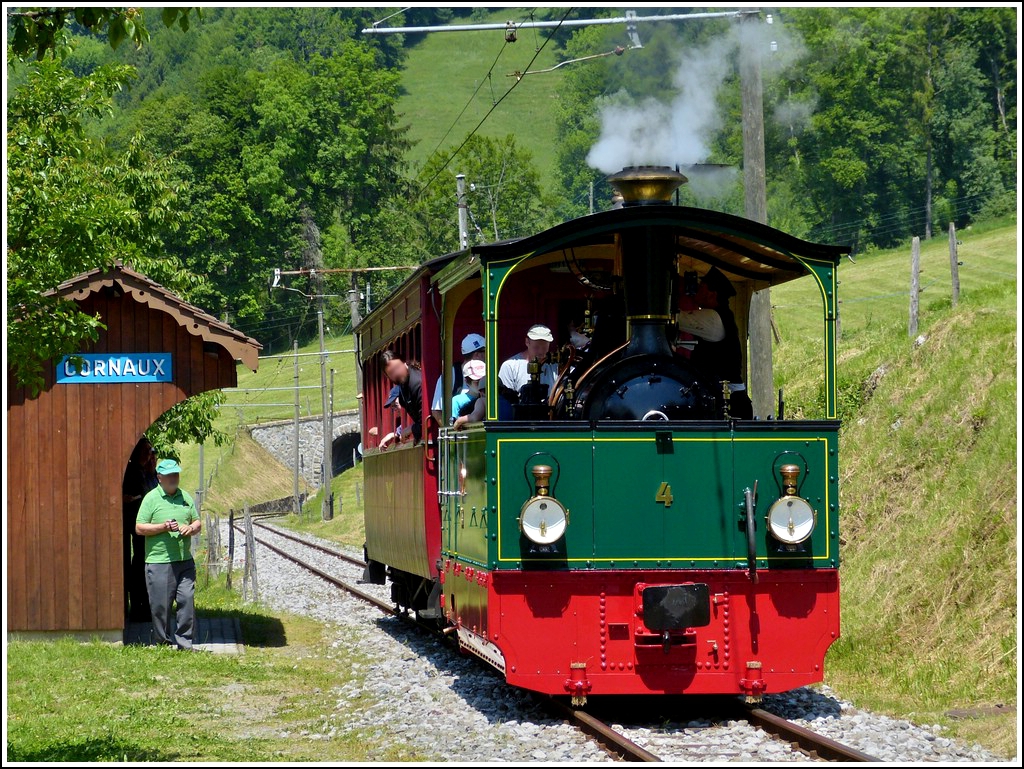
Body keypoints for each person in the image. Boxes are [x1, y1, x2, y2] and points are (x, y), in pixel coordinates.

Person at [135, 458, 201, 650]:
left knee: (186, 602)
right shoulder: (151, 498)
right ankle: (162, 642)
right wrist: (163, 527)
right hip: (159, 561)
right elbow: (139, 528)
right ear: (160, 477)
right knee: (161, 607)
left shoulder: (185, 497)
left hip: (184, 562)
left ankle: (184, 643)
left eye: (176, 474)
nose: (174, 478)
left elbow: (197, 522)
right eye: (170, 475)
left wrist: (191, 528)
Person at [675, 266, 753, 419]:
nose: (697, 290)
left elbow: (677, 319)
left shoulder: (713, 318)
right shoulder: (720, 316)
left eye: (702, 287)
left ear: (712, 294)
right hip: (724, 397)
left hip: (730, 403)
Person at [123, 437, 158, 621]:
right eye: (146, 451)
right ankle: (138, 608)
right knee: (138, 567)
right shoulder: (132, 472)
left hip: (145, 527)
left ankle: (144, 607)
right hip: (136, 526)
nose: (149, 454)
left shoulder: (146, 473)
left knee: (142, 564)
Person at [497, 324, 558, 416]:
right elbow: (505, 401)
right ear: (527, 342)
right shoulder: (510, 366)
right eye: (536, 347)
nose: (541, 352)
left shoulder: (555, 367)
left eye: (545, 348)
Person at [431, 333, 486, 424]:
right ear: (477, 355)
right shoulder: (450, 375)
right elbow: (436, 411)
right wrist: (451, 432)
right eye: (485, 351)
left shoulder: (488, 372)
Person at [381, 349, 424, 443]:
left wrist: (410, 429)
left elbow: (425, 420)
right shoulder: (403, 383)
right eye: (391, 372)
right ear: (387, 376)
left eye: (397, 367)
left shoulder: (417, 383)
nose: (397, 373)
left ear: (404, 362)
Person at [451, 359, 486, 430]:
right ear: (466, 381)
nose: (481, 385)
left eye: (484, 380)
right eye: (477, 382)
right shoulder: (456, 401)